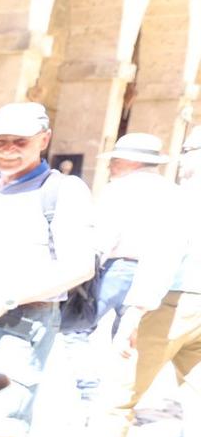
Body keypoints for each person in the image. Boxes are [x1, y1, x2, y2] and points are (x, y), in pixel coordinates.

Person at [74, 139, 201, 437]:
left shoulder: (183, 199)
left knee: (121, 389)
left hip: (173, 301)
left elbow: (164, 255)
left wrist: (135, 312)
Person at [0, 101, 97, 435]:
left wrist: (6, 299)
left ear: (43, 140)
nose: (8, 151)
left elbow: (80, 266)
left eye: (20, 142)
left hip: (24, 320)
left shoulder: (63, 191)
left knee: (5, 419)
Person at [87, 133, 178, 338]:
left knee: (77, 327)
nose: (110, 166)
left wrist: (87, 271)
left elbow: (105, 235)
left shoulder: (118, 189)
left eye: (115, 161)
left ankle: (76, 370)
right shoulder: (173, 192)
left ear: (131, 162)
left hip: (115, 269)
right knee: (126, 334)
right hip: (155, 274)